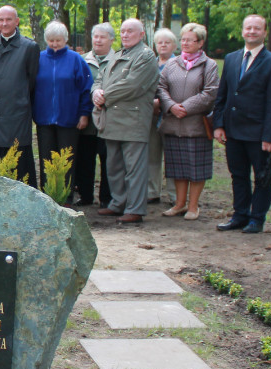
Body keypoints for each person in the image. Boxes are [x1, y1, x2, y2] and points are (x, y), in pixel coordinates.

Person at [212, 14, 271, 234]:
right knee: (238, 175)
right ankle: (240, 214)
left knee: (262, 177)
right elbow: (222, 95)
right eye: (248, 28)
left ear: (265, 32)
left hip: (258, 133)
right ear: (242, 31)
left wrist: (269, 136)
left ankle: (257, 218)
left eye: (257, 28)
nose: (252, 32)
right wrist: (218, 124)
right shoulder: (232, 58)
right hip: (233, 130)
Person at [92, 19, 159, 223]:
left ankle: (135, 208)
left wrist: (106, 96)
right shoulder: (118, 55)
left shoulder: (146, 56)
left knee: (134, 168)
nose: (126, 35)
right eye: (123, 31)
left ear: (141, 35)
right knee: (114, 166)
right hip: (111, 119)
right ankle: (117, 203)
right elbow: (99, 78)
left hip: (133, 120)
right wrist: (95, 93)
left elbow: (133, 85)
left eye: (131, 31)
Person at [158, 23, 219, 220]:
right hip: (173, 124)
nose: (185, 43)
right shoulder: (171, 64)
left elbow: (210, 93)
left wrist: (185, 107)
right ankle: (179, 204)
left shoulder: (209, 65)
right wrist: (171, 106)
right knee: (177, 168)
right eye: (183, 39)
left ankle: (193, 206)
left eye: (189, 40)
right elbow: (161, 87)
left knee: (196, 169)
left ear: (200, 43)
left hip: (196, 126)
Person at [33, 21, 93, 199]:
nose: (55, 44)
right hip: (44, 119)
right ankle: (47, 196)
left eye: (58, 40)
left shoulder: (76, 60)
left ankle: (66, 197)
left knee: (66, 161)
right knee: (46, 160)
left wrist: (84, 114)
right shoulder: (39, 58)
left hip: (69, 118)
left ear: (65, 40)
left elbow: (85, 89)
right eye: (51, 40)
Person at [0, 5, 39, 186]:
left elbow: (32, 80)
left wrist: (18, 97)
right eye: (1, 20)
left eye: (8, 19)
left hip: (17, 111)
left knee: (18, 158)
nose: (5, 24)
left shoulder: (29, 47)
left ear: (17, 21)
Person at [78, 23, 115, 206]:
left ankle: (106, 199)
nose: (98, 40)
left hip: (109, 121)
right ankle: (85, 196)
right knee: (85, 160)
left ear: (111, 40)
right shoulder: (82, 60)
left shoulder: (118, 60)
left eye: (102, 37)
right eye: (95, 36)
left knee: (108, 161)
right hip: (87, 121)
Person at [147, 28, 179, 206]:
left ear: (174, 45)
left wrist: (162, 103)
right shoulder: (151, 63)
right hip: (151, 116)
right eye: (160, 42)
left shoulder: (179, 63)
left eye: (167, 42)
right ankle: (152, 191)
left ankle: (175, 195)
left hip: (170, 116)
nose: (163, 45)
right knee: (152, 155)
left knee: (172, 157)